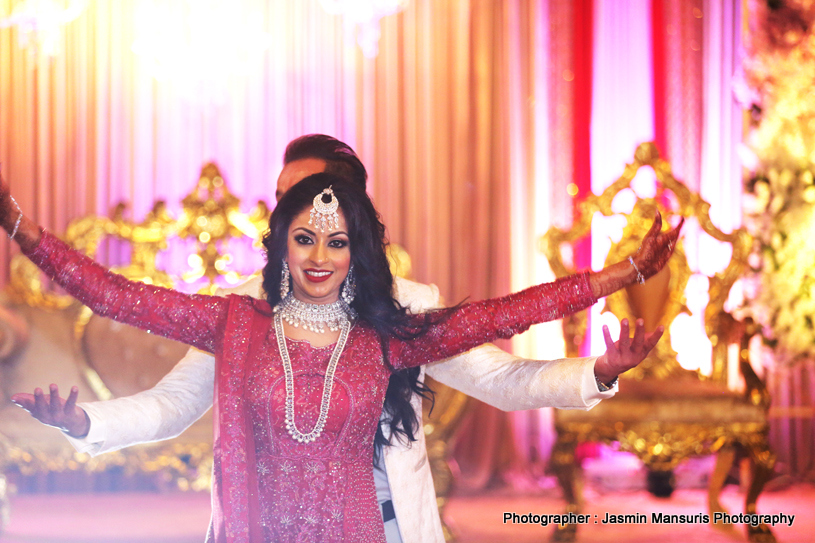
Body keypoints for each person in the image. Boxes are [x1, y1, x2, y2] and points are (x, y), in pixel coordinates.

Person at [2, 169, 678, 542]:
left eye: (336, 241)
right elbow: (116, 296)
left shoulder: (389, 332)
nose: (319, 257)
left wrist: (623, 277)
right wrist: (19, 227)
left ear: (358, 249)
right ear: (281, 244)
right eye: (304, 238)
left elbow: (503, 315)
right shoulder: (236, 321)